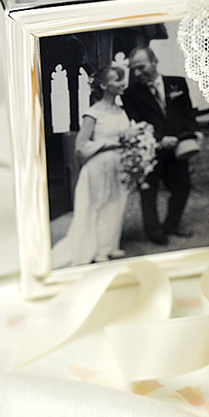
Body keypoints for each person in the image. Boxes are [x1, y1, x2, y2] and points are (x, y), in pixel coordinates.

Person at [51, 66, 133, 267]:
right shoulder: (93, 113)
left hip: (119, 163)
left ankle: (109, 246)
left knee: (116, 203)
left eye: (123, 79)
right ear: (104, 85)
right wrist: (110, 144)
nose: (123, 84)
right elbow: (81, 146)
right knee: (98, 204)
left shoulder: (121, 111)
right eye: (117, 80)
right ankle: (95, 249)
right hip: (99, 164)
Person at [121, 46, 201, 245]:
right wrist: (159, 138)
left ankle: (172, 224)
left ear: (154, 62)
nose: (137, 73)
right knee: (149, 193)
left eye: (141, 67)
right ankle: (154, 230)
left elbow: (188, 112)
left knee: (183, 187)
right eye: (134, 69)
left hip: (178, 150)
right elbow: (135, 123)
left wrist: (194, 131)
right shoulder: (130, 93)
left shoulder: (177, 83)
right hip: (149, 152)